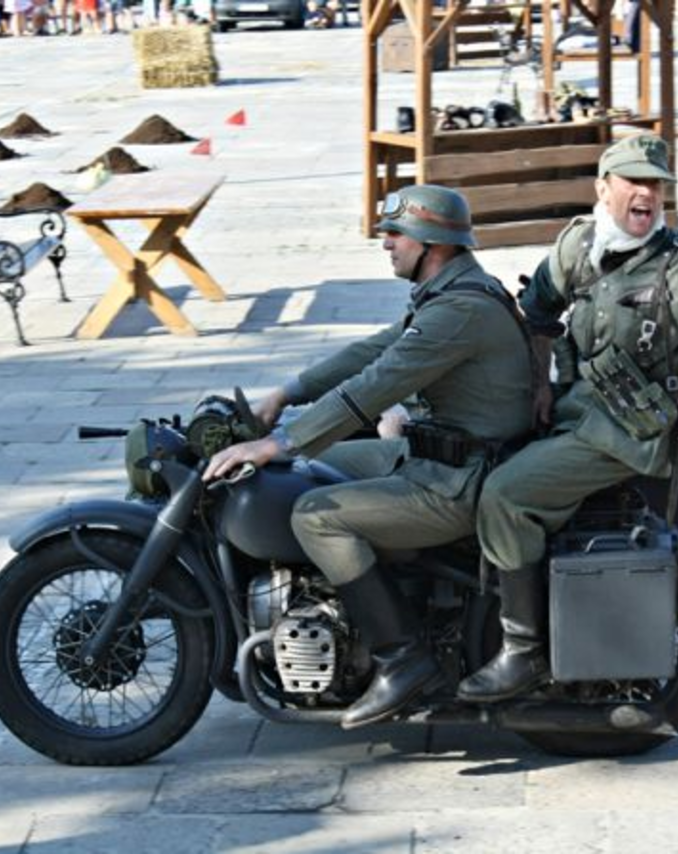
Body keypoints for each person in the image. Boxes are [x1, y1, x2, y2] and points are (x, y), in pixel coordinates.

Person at [459, 134, 678, 703]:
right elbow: (538, 310)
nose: (647, 193)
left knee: (505, 496)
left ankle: (521, 650)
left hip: (625, 435)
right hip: (571, 413)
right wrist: (538, 383)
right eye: (634, 182)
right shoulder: (579, 244)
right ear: (604, 189)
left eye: (656, 185)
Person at [205, 185, 534, 729]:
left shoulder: (459, 310)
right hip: (433, 454)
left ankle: (402, 657)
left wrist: (275, 443)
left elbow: (376, 384)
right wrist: (286, 394)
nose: (385, 243)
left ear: (432, 243)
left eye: (396, 233)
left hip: (458, 480)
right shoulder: (451, 291)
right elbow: (374, 350)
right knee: (309, 469)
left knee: (315, 515)